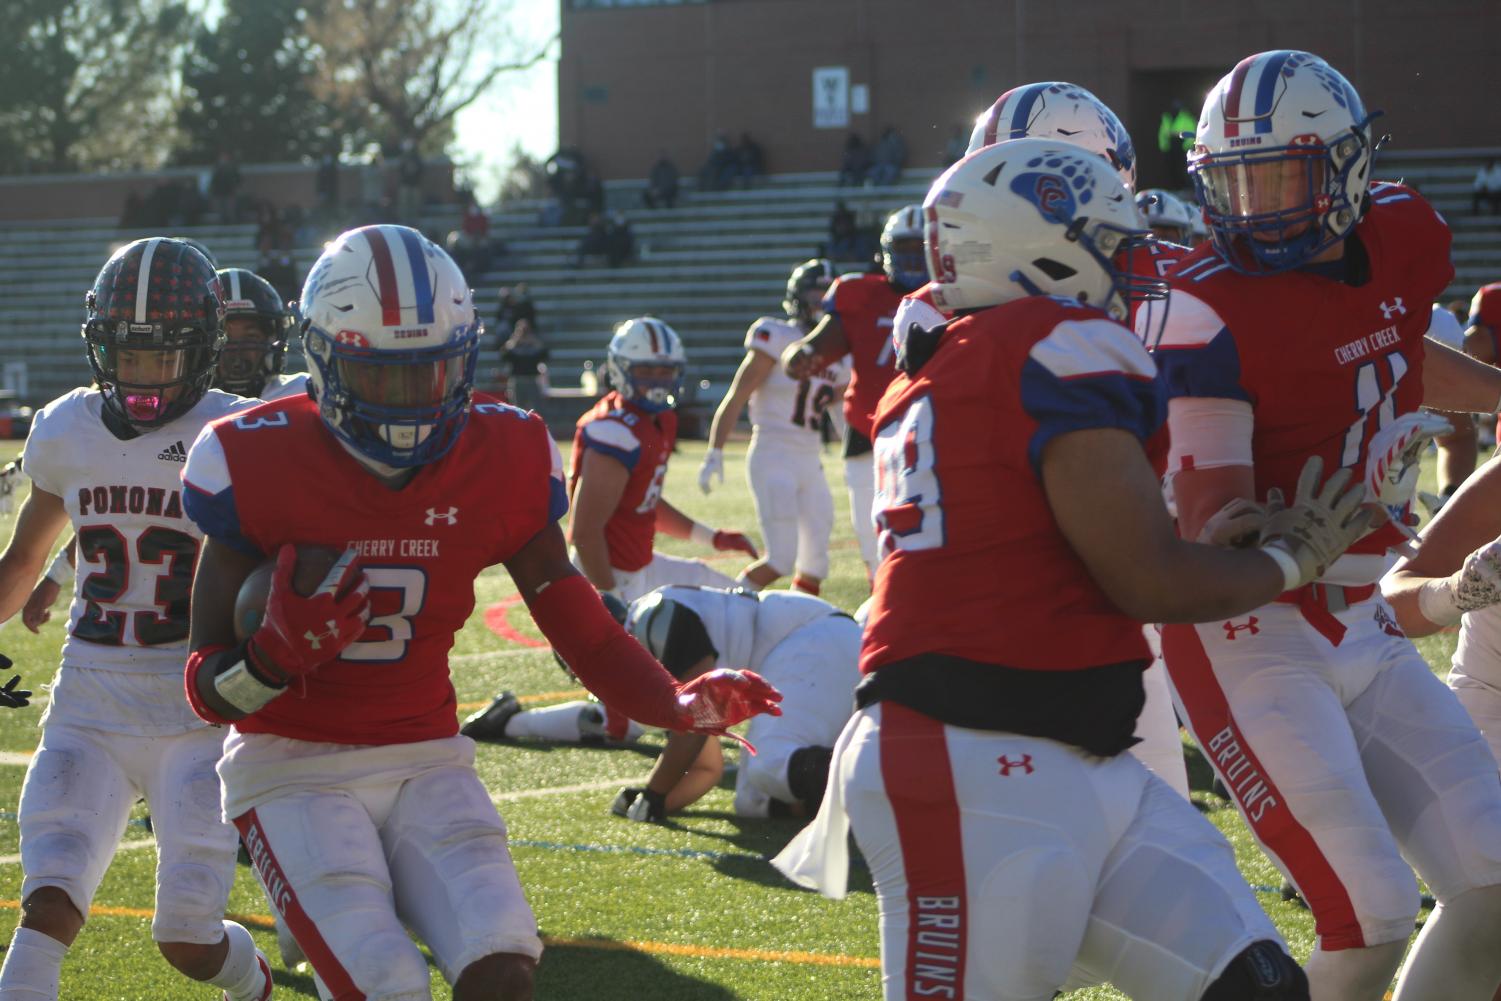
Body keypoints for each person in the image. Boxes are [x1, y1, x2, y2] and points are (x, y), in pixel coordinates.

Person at [774, 137, 1367, 1001]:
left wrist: (1208, 548)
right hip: (972, 754)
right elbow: (1147, 581)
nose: (1132, 269)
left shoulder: (943, 364)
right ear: (1039, 247)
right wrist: (1288, 560)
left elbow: (1051, 547)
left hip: (1074, 750)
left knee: (1258, 987)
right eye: (1111, 245)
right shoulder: (1059, 341)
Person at [179, 224, 781, 1001]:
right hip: (290, 765)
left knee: (502, 965)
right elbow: (201, 686)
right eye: (383, 376)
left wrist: (674, 700)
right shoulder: (251, 454)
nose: (414, 399)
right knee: (385, 980)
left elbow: (582, 626)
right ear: (323, 359)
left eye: (434, 372)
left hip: (428, 753)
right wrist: (267, 662)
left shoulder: (504, 446)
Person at [1150, 50, 1501, 1000]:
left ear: (1345, 168)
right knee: (1370, 913)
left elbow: (1393, 350)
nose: (1255, 208)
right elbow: (1207, 512)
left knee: (1495, 884)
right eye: (1235, 182)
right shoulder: (1207, 305)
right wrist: (1265, 526)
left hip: (1363, 623)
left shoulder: (1398, 236)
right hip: (1248, 630)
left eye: (1278, 179)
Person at [0, 238, 272, 1001]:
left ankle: (250, 983)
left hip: (198, 713)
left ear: (206, 350)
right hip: (88, 703)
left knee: (186, 936)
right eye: (126, 354)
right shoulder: (66, 428)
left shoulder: (242, 433)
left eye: (162, 357)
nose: (140, 376)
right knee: (48, 901)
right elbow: (24, 561)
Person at [610, 585, 860, 820]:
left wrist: (654, 794)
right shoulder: (651, 628)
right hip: (803, 651)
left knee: (771, 764)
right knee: (753, 801)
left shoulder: (652, 619)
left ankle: (885, 778)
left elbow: (697, 720)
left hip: (814, 636)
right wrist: (653, 801)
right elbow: (707, 767)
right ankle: (853, 794)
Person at [567, 316, 757, 605]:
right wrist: (611, 599)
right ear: (621, 369)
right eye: (645, 369)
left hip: (639, 568)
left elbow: (645, 500)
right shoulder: (613, 431)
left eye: (665, 370)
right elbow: (584, 533)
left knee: (742, 602)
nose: (656, 379)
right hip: (605, 576)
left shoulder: (661, 420)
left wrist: (713, 538)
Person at [783, 206, 926, 583]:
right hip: (867, 427)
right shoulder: (859, 292)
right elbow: (822, 343)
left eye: (920, 246)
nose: (912, 255)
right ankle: (883, 601)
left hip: (930, 430)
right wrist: (803, 356)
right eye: (904, 246)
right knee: (871, 534)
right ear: (886, 251)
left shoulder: (956, 297)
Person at [700, 259, 841, 594]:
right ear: (797, 297)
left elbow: (841, 410)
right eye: (815, 293)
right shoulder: (776, 335)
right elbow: (738, 395)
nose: (821, 301)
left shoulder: (839, 354)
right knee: (780, 558)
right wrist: (714, 451)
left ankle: (798, 627)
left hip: (810, 459)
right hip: (773, 452)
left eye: (828, 294)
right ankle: (729, 614)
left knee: (816, 562)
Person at [213, 268, 304, 402]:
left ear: (271, 339)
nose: (238, 351)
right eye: (224, 337)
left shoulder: (302, 392)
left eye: (251, 336)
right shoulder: (185, 409)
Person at [500, 318, 549, 413]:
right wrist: (514, 341)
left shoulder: (534, 345)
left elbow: (545, 355)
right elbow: (504, 356)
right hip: (517, 379)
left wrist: (534, 341)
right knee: (517, 408)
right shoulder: (513, 346)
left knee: (536, 408)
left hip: (532, 379)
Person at [209, 151, 241, 224]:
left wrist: (236, 187)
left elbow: (237, 178)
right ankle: (222, 224)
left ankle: (232, 224)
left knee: (230, 210)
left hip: (230, 192)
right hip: (220, 192)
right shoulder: (216, 168)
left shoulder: (232, 167)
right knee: (221, 210)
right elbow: (214, 180)